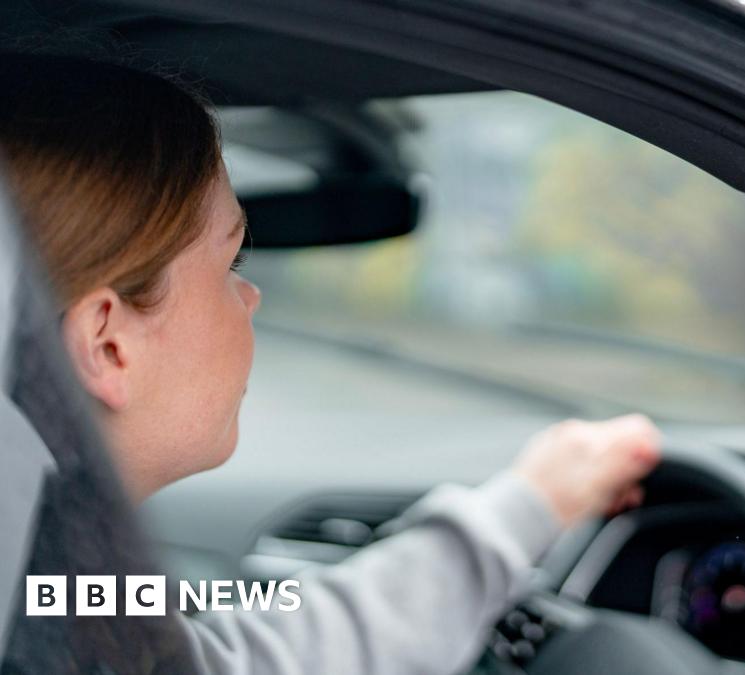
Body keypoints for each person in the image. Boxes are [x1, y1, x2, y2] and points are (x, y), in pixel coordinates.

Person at [0, 52, 662, 674]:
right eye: (231, 262)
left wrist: (532, 504)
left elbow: (246, 655)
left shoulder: (47, 590)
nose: (250, 295)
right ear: (108, 344)